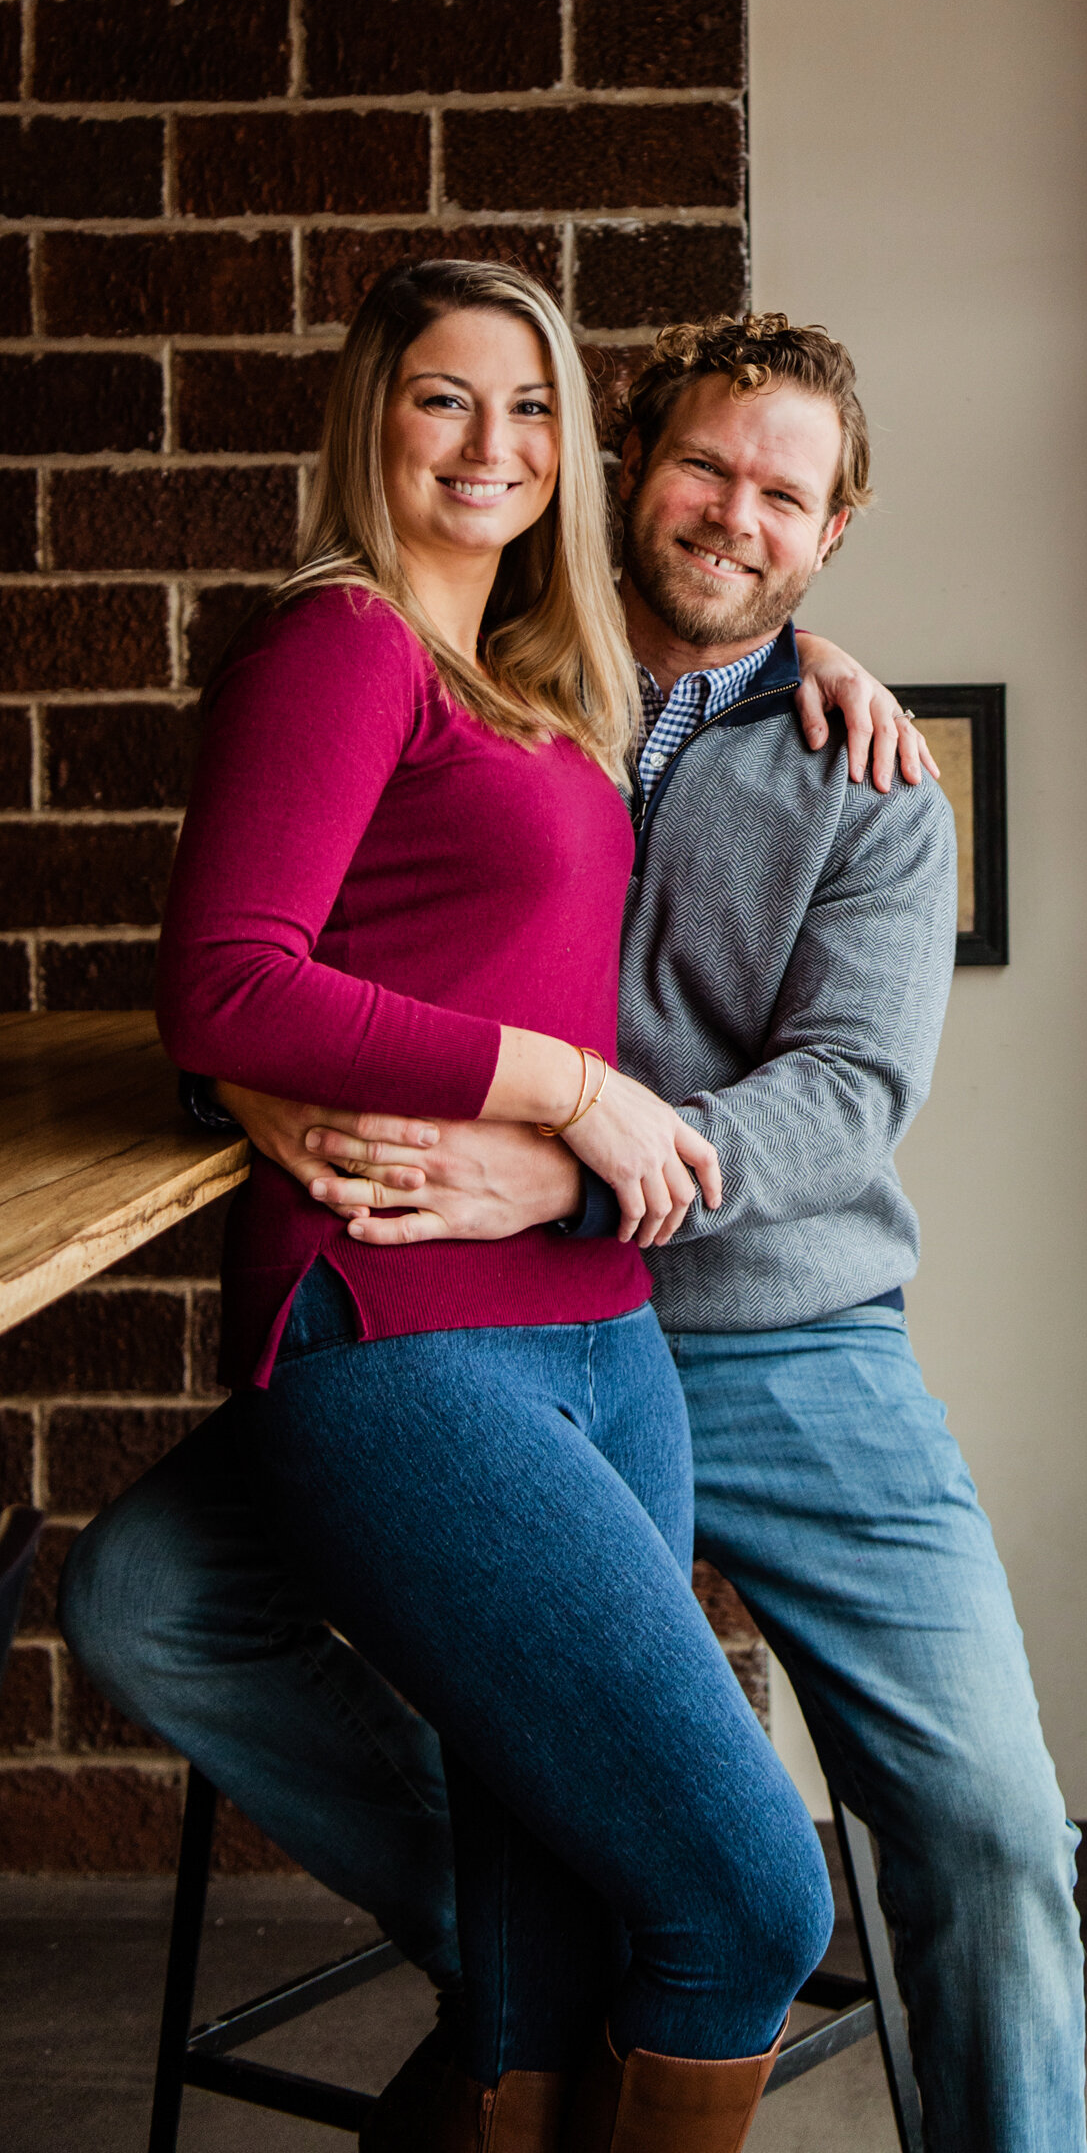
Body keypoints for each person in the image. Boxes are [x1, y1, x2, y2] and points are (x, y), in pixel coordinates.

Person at [63, 312, 1087, 2153]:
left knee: (992, 1821)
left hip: (780, 1332)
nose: (736, 516)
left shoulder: (867, 772)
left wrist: (592, 1158)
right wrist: (255, 1087)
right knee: (144, 1598)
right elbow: (313, 947)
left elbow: (850, 1089)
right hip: (468, 1315)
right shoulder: (517, 675)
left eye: (787, 495)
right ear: (631, 472)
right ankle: (554, 1940)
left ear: (831, 533)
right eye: (705, 468)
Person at [128, 262, 858, 2153]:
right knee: (752, 1901)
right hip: (395, 1331)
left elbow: (727, 613)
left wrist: (823, 658)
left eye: (528, 406)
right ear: (369, 415)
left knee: (546, 1940)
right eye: (445, 399)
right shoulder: (344, 640)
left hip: (601, 1337)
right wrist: (573, 1086)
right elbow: (224, 982)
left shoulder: (545, 676)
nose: (492, 445)